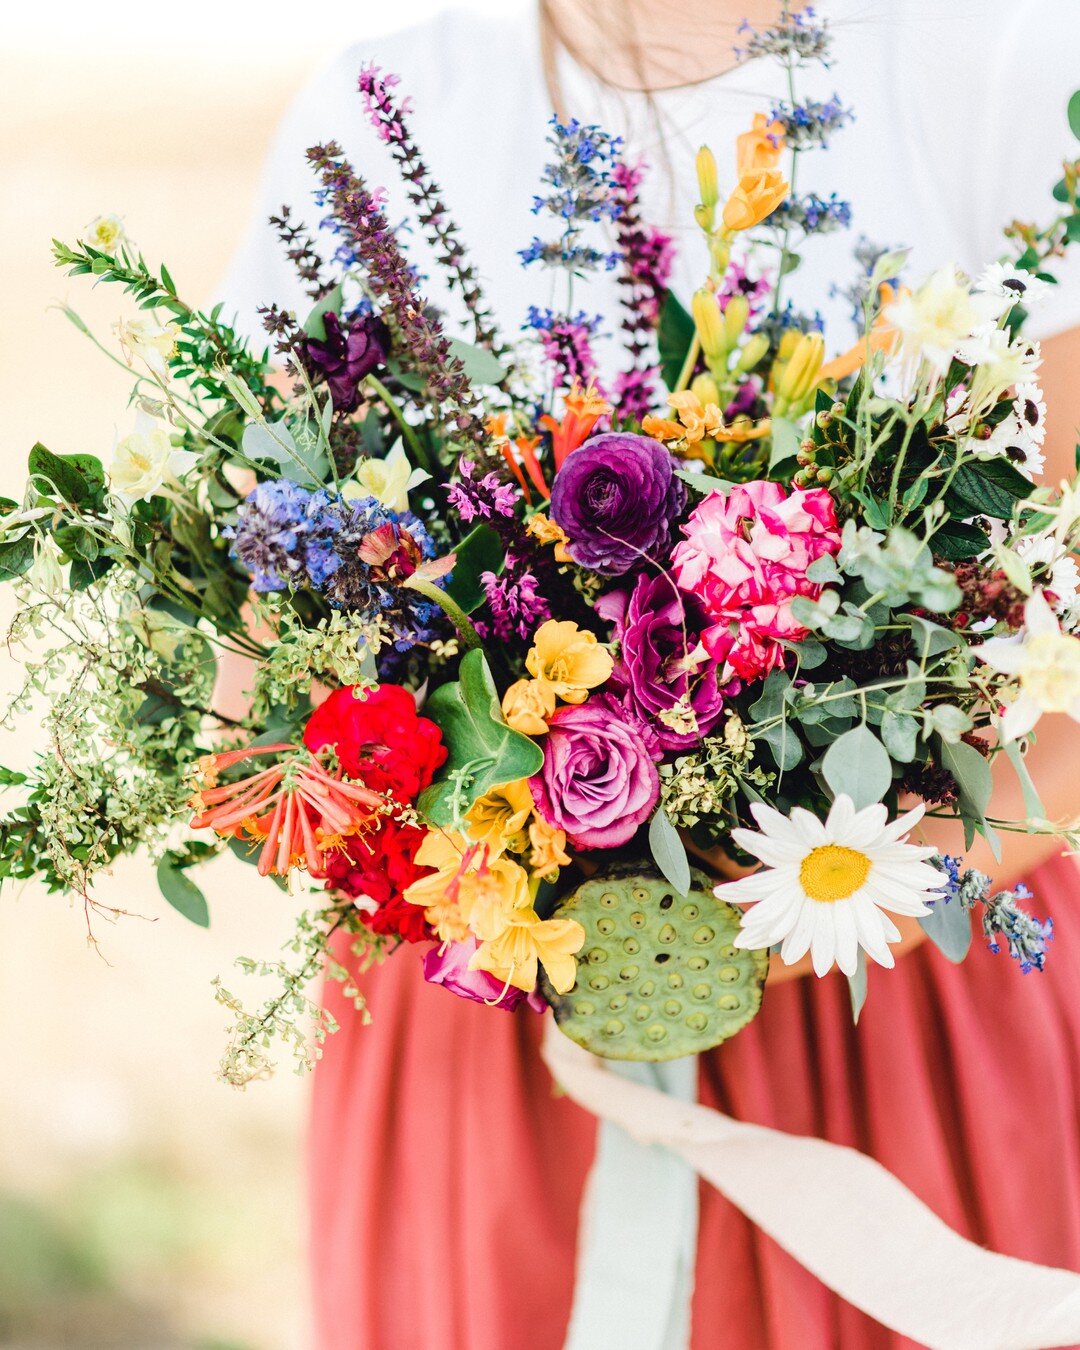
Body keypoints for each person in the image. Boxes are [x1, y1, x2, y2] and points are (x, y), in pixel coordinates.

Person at [223, 2, 1080, 1345]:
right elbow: (253, 674)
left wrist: (870, 885)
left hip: (895, 1003)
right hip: (501, 1050)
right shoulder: (382, 110)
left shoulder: (1008, 65)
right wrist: (467, 851)